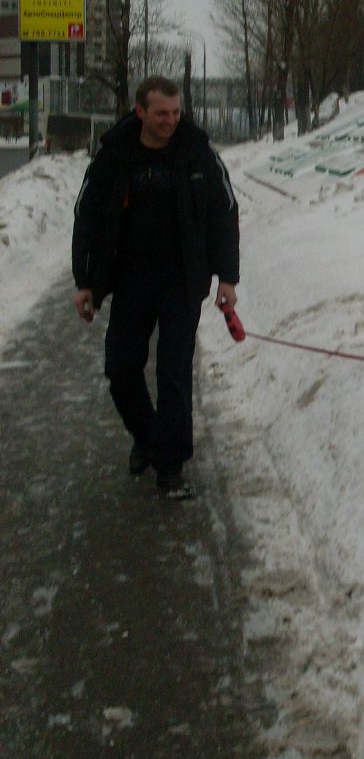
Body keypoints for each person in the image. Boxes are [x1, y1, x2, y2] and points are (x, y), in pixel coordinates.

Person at [72, 75, 240, 500]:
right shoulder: (115, 153)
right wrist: (86, 282)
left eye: (176, 112)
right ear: (141, 111)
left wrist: (227, 278)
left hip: (182, 278)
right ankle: (147, 435)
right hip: (130, 277)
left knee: (174, 370)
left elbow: (224, 214)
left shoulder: (198, 152)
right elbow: (87, 216)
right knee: (121, 368)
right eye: (161, 113)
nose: (170, 121)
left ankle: (170, 466)